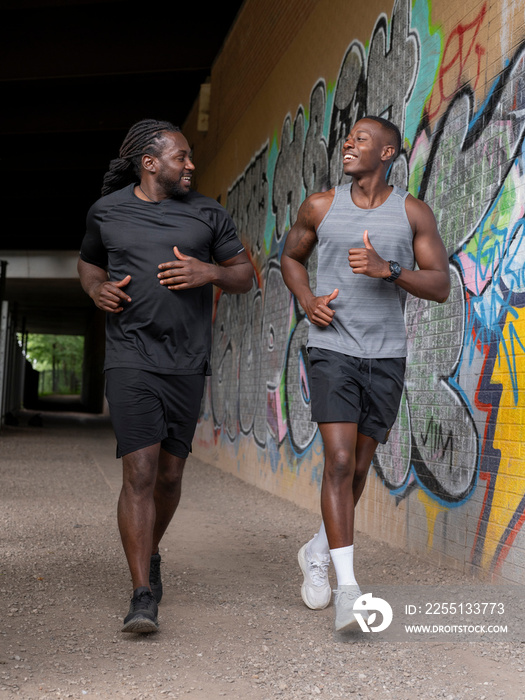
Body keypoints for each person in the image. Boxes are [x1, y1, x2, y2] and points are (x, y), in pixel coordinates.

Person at [78, 119, 253, 634]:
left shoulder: (208, 214)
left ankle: (149, 551)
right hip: (130, 358)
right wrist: (96, 291)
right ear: (150, 163)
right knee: (140, 472)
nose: (191, 165)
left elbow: (245, 274)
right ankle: (141, 594)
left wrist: (210, 272)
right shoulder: (106, 213)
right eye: (183, 157)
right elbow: (88, 265)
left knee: (171, 477)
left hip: (186, 362)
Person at [280, 116, 450, 632]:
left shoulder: (412, 213)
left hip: (386, 357)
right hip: (331, 349)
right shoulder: (321, 207)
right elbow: (290, 258)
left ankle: (317, 549)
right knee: (336, 460)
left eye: (361, 140)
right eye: (348, 138)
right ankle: (347, 589)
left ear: (389, 152)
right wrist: (308, 301)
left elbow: (440, 284)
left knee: (356, 469)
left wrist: (389, 270)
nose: (349, 145)